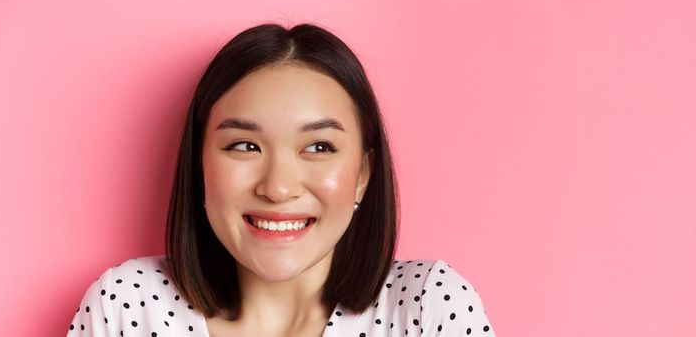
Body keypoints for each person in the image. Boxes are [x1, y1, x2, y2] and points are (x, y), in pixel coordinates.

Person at [67, 22, 496, 337]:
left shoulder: (428, 307)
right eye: (245, 146)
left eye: (319, 147)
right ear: (200, 167)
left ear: (363, 174)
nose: (278, 187)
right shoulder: (126, 307)